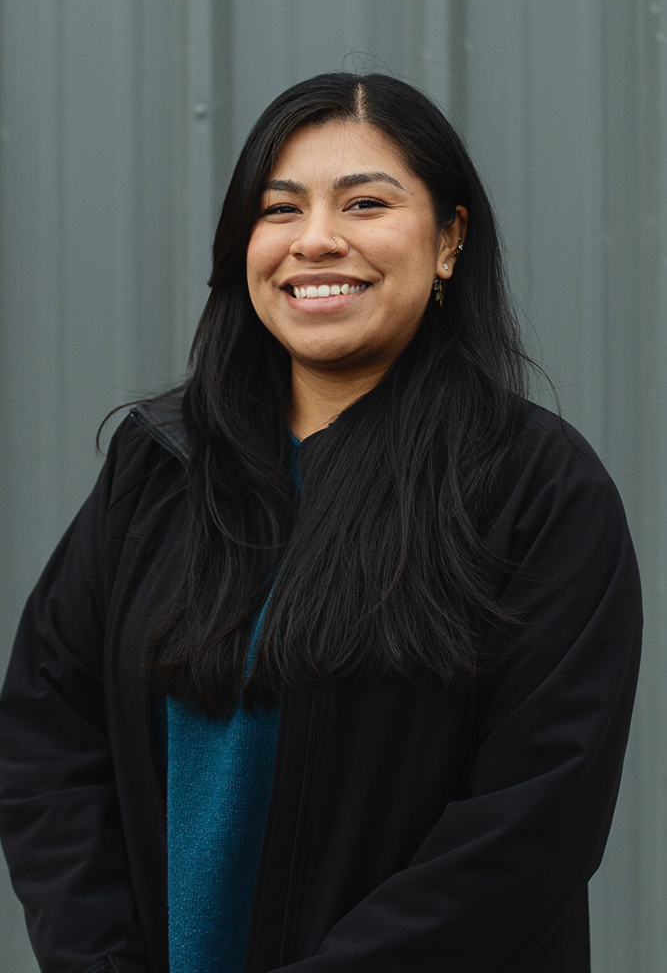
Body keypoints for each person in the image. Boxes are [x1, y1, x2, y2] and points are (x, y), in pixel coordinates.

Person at [0, 73, 641, 973]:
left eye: (365, 203)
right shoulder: (159, 467)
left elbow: (533, 823)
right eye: (279, 209)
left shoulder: (535, 489)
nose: (315, 241)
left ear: (450, 238)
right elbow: (47, 733)